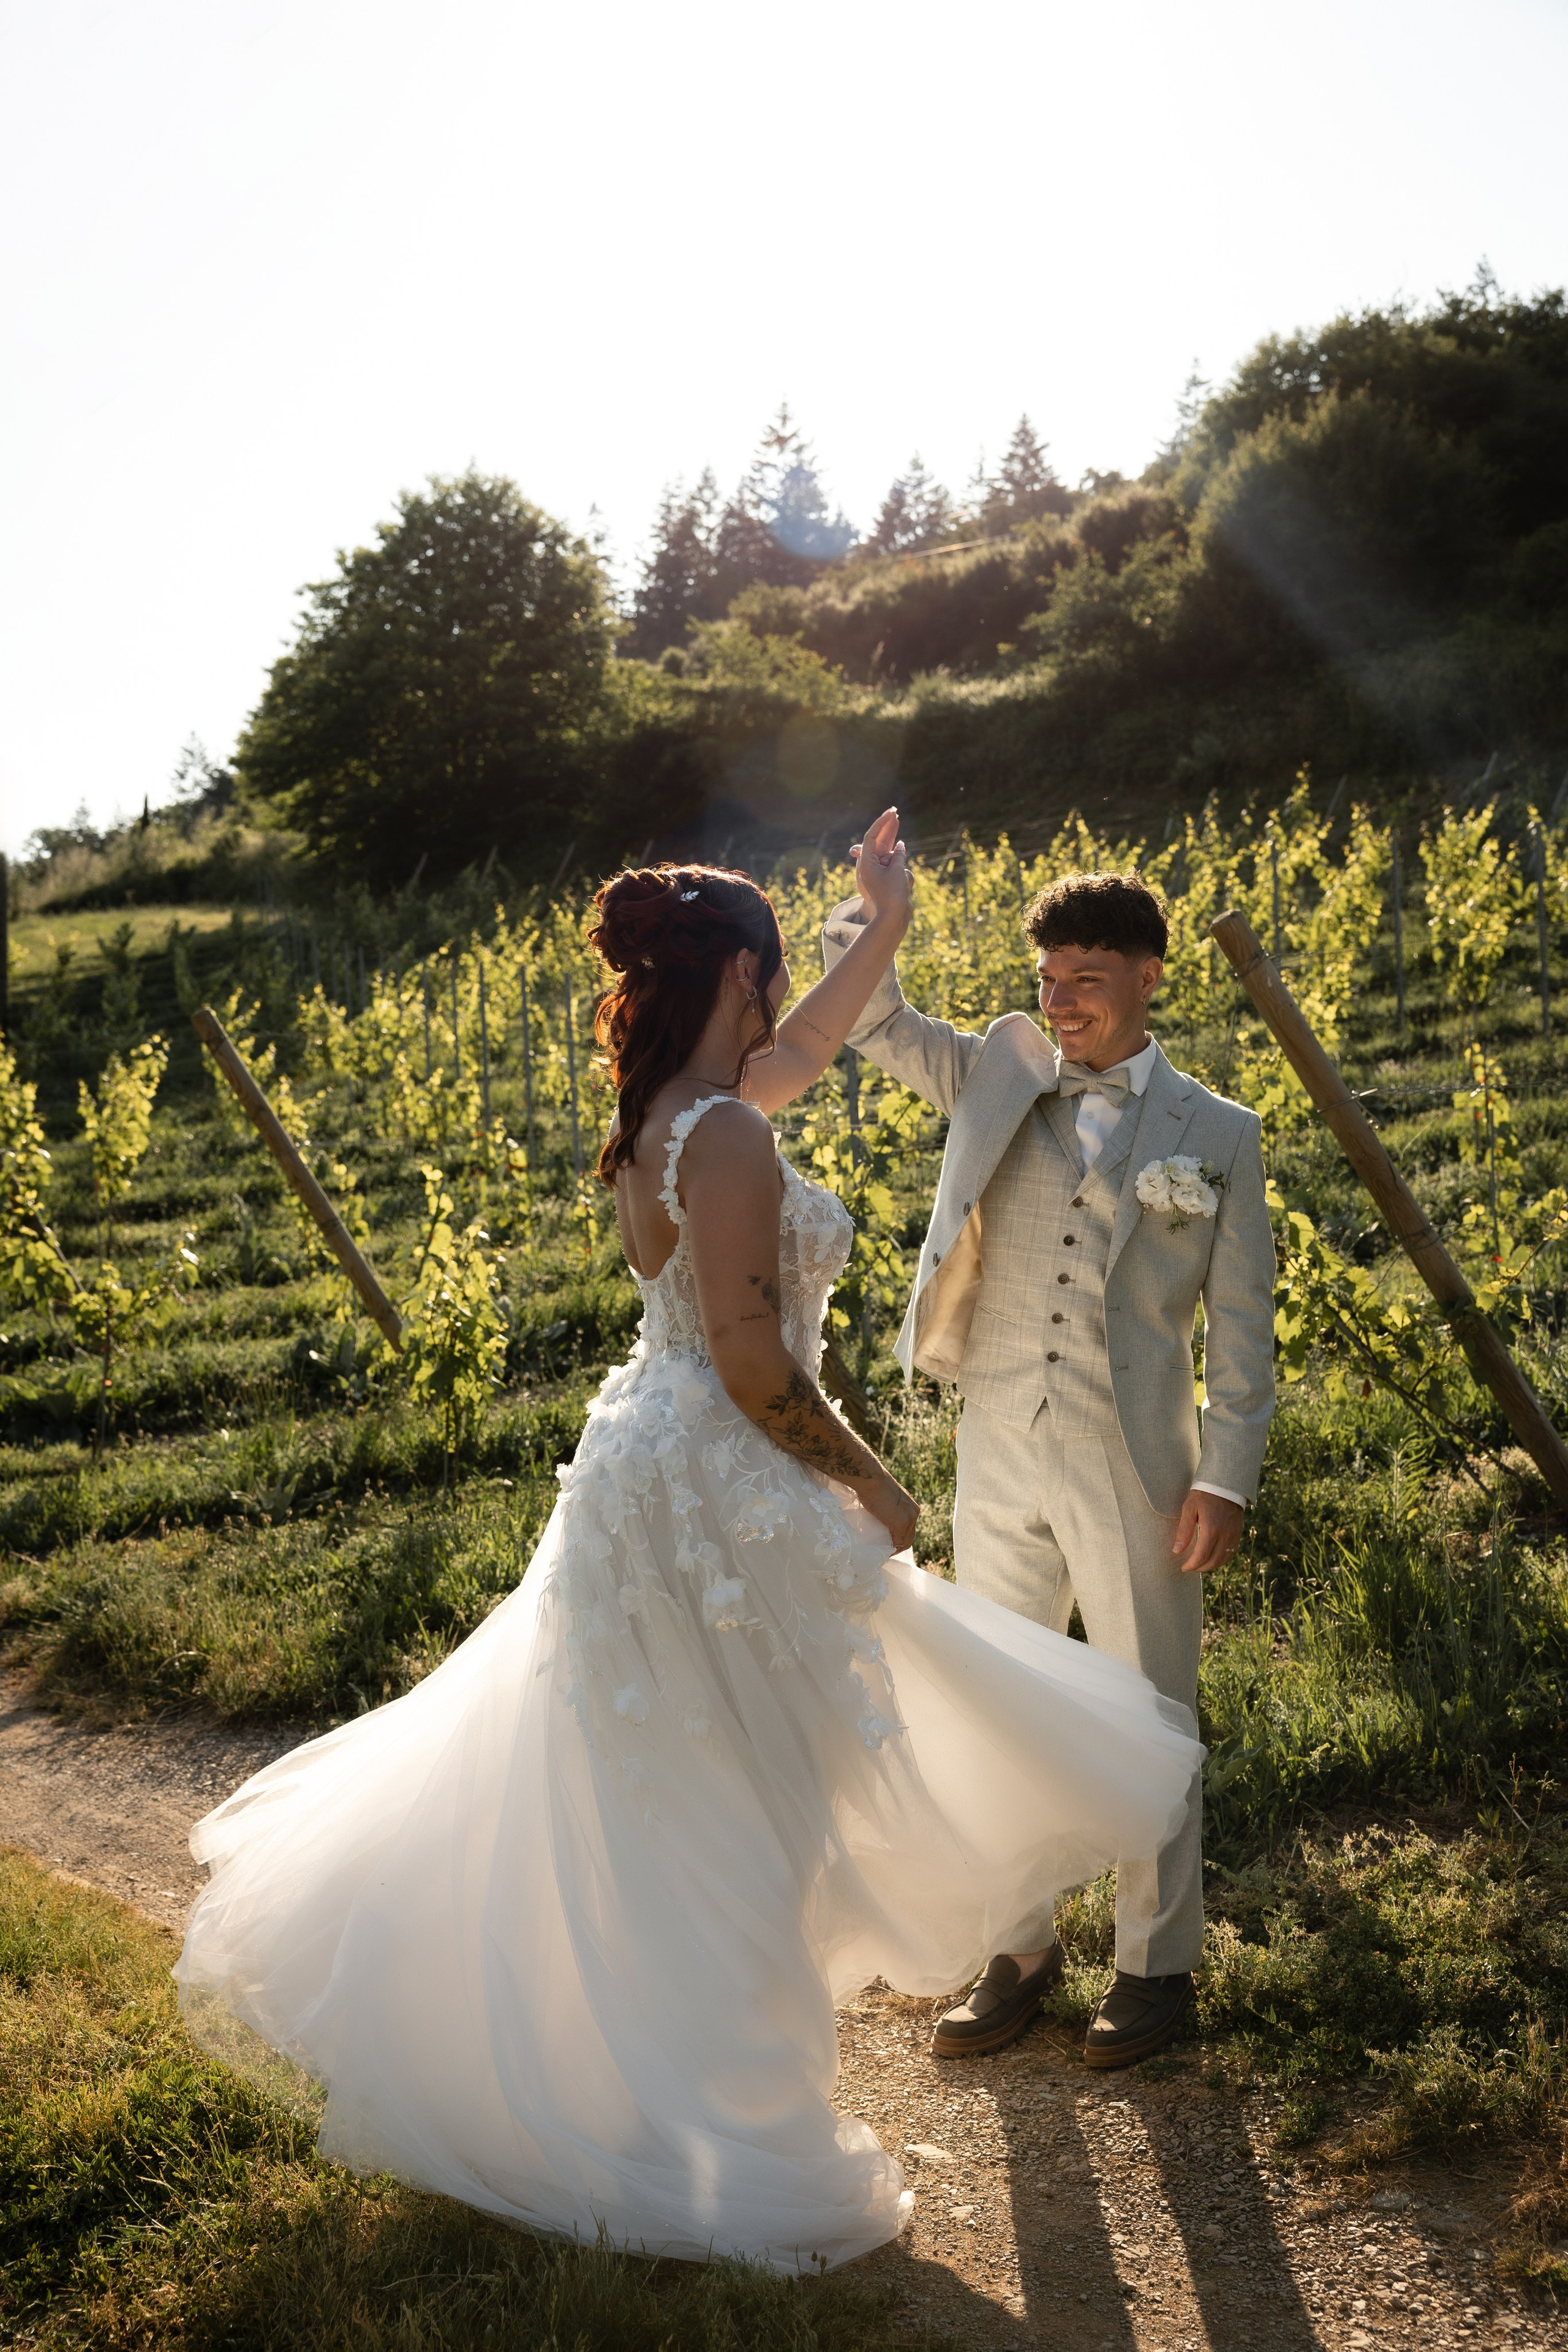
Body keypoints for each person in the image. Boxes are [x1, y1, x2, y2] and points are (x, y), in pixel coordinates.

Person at [176, 813, 1203, 2273]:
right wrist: (871, 1485)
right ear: (733, 973)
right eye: (771, 973)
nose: (784, 999)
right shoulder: (722, 1134)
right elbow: (748, 1358)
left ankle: (667, 2087)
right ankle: (725, 2125)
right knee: (749, 1810)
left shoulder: (673, 1109)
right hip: (720, 1485)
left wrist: (884, 926)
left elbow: (803, 1056)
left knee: (677, 1798)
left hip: (648, 1473)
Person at [823, 865, 1276, 2070]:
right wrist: (870, 918)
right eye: (1047, 979)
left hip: (1139, 1461)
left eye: (1086, 978)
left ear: (1147, 977)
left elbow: (1241, 1332)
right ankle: (1017, 1951)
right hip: (998, 1441)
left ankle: (1154, 1964)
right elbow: (874, 1020)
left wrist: (1225, 1477)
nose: (1062, 1001)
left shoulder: (1217, 1134)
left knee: (1150, 1706)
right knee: (998, 1703)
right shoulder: (997, 1070)